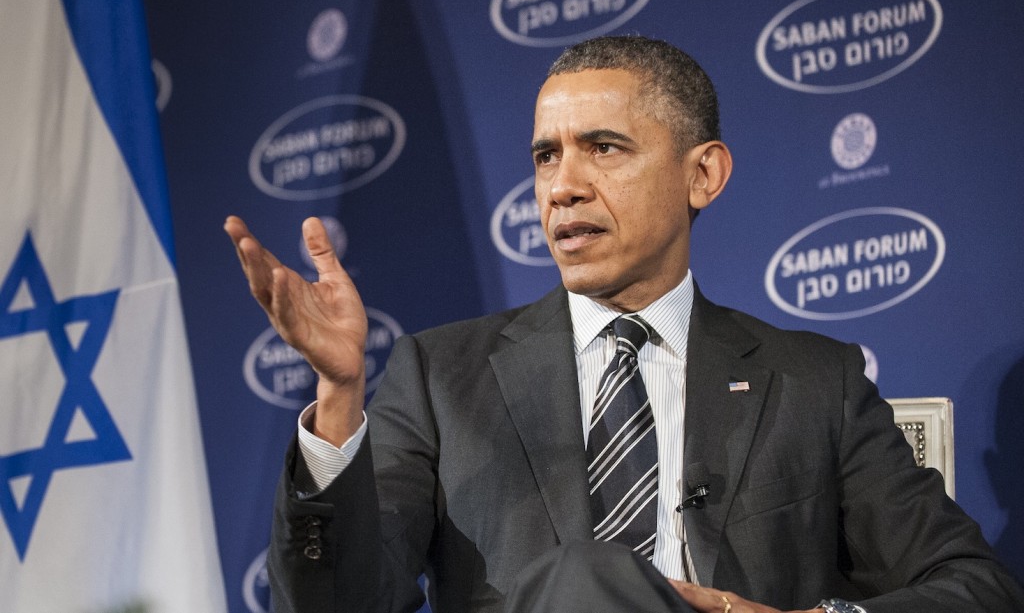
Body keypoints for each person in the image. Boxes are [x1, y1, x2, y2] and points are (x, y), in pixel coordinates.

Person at [225, 36, 1024, 613]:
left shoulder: (817, 381)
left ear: (702, 173)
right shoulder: (442, 377)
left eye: (602, 148)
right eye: (545, 157)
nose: (561, 187)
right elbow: (337, 605)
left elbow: (978, 588)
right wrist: (339, 393)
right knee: (583, 579)